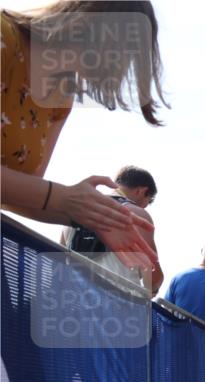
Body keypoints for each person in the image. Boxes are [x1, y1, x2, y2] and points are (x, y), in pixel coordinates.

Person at [1, 2, 165, 269]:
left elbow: (17, 193)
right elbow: (39, 194)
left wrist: (91, 215)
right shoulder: (5, 38)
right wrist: (62, 198)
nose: (122, 68)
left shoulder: (59, 97)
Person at [61, 165, 163, 293]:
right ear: (141, 191)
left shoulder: (77, 211)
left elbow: (58, 263)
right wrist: (153, 289)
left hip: (73, 300)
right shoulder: (137, 214)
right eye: (147, 201)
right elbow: (154, 277)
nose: (145, 207)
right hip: (118, 304)